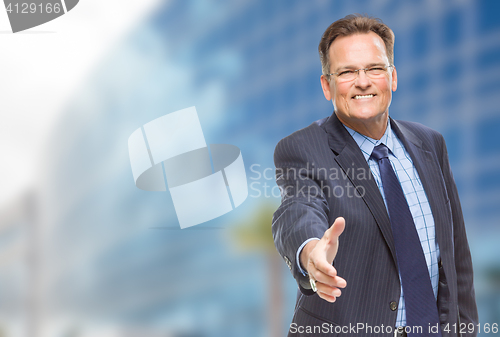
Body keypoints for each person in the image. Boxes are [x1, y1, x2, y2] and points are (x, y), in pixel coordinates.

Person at [272, 14, 478, 337]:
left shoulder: (431, 144)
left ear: (392, 77)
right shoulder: (302, 148)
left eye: (374, 69)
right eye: (347, 72)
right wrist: (311, 253)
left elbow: (456, 258)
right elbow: (297, 210)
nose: (363, 81)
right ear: (327, 85)